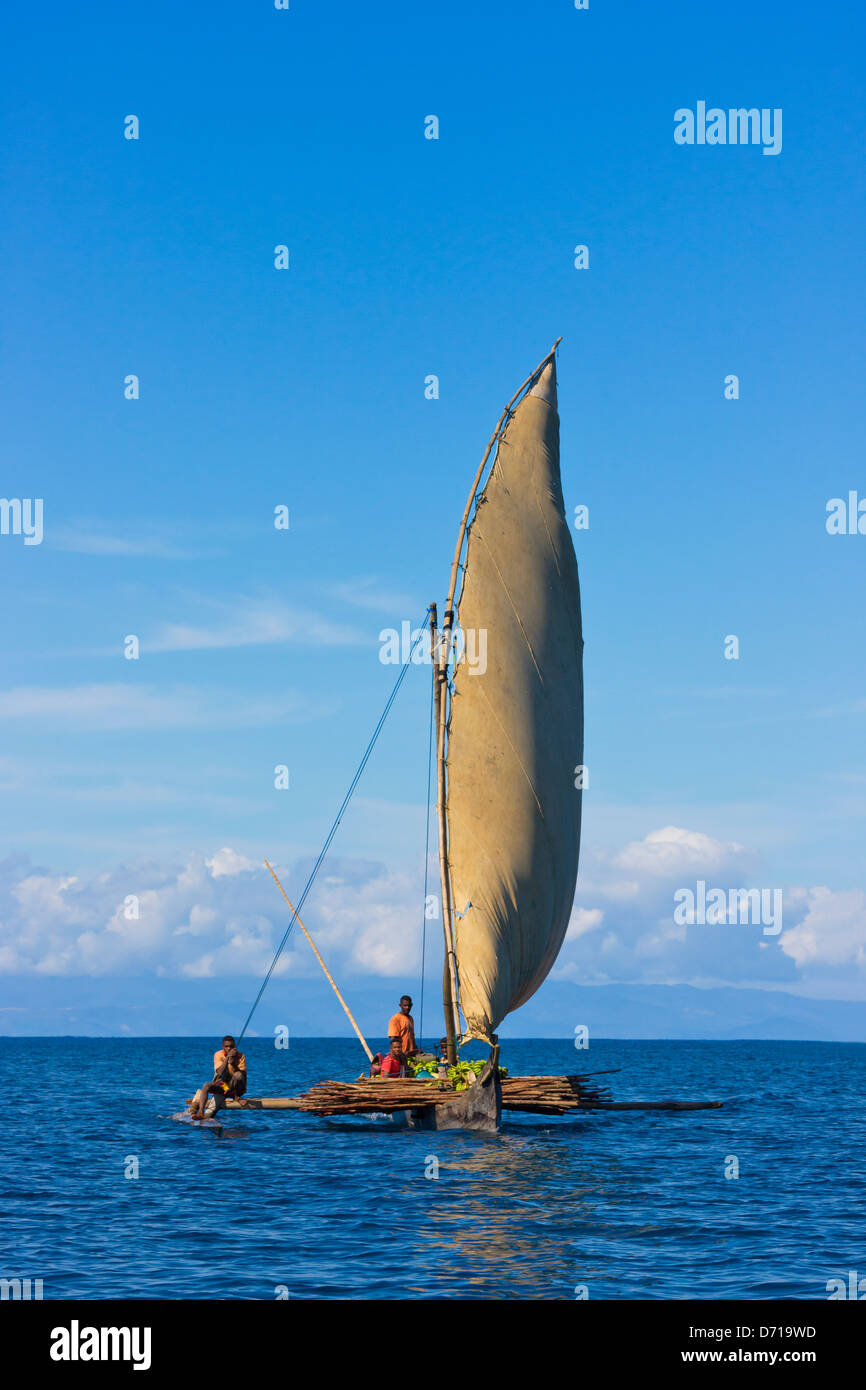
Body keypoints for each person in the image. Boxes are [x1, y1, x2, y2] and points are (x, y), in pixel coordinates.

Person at [190, 1034, 247, 1118]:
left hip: (236, 1088)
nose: (229, 1048)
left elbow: (242, 1075)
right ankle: (201, 1113)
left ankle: (236, 1097)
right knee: (206, 1086)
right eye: (226, 1046)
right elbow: (219, 1072)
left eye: (231, 1046)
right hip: (223, 1085)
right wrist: (227, 1059)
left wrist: (233, 1063)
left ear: (234, 1046)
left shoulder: (240, 1055)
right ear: (223, 1046)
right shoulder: (218, 1054)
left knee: (238, 1075)